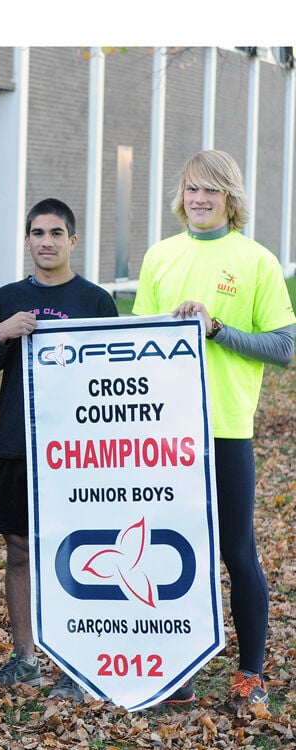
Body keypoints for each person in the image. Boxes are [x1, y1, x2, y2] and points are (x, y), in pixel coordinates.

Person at [133, 149, 295, 708]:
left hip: (224, 429)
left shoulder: (256, 260)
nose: (199, 198)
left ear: (231, 197)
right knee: (169, 549)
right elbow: (138, 344)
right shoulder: (159, 256)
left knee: (236, 551)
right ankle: (177, 671)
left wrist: (219, 329)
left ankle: (251, 673)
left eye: (212, 189)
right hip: (164, 432)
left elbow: (284, 348)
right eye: (192, 188)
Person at [0, 198, 119, 701]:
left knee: (80, 550)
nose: (46, 242)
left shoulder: (96, 301)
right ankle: (26, 659)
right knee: (19, 551)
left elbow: (114, 378)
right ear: (27, 240)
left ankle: (78, 661)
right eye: (37, 233)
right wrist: (0, 333)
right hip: (17, 444)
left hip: (78, 451)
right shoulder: (8, 298)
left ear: (72, 241)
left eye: (56, 233)